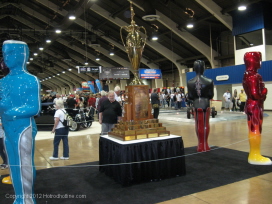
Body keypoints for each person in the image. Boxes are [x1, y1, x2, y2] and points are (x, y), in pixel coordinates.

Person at [0, 40, 41, 203]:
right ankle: (19, 197)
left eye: (10, 53)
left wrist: (12, 111)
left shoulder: (30, 79)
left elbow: (34, 107)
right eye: (4, 53)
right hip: (8, 129)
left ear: (22, 55)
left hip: (23, 128)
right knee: (13, 164)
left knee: (24, 164)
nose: (6, 57)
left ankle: (27, 199)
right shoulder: (2, 82)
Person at [243, 51, 271, 165]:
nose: (260, 62)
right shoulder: (255, 76)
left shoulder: (247, 75)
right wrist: (264, 91)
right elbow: (256, 95)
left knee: (254, 129)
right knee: (256, 129)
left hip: (251, 105)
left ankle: (254, 154)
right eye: (259, 59)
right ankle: (255, 155)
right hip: (255, 105)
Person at [187, 60, 214, 152]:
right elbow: (211, 95)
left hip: (195, 104)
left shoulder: (190, 82)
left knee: (198, 124)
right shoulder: (209, 81)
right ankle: (205, 144)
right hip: (205, 104)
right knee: (205, 124)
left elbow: (190, 96)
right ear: (203, 68)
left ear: (194, 69)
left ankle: (200, 144)